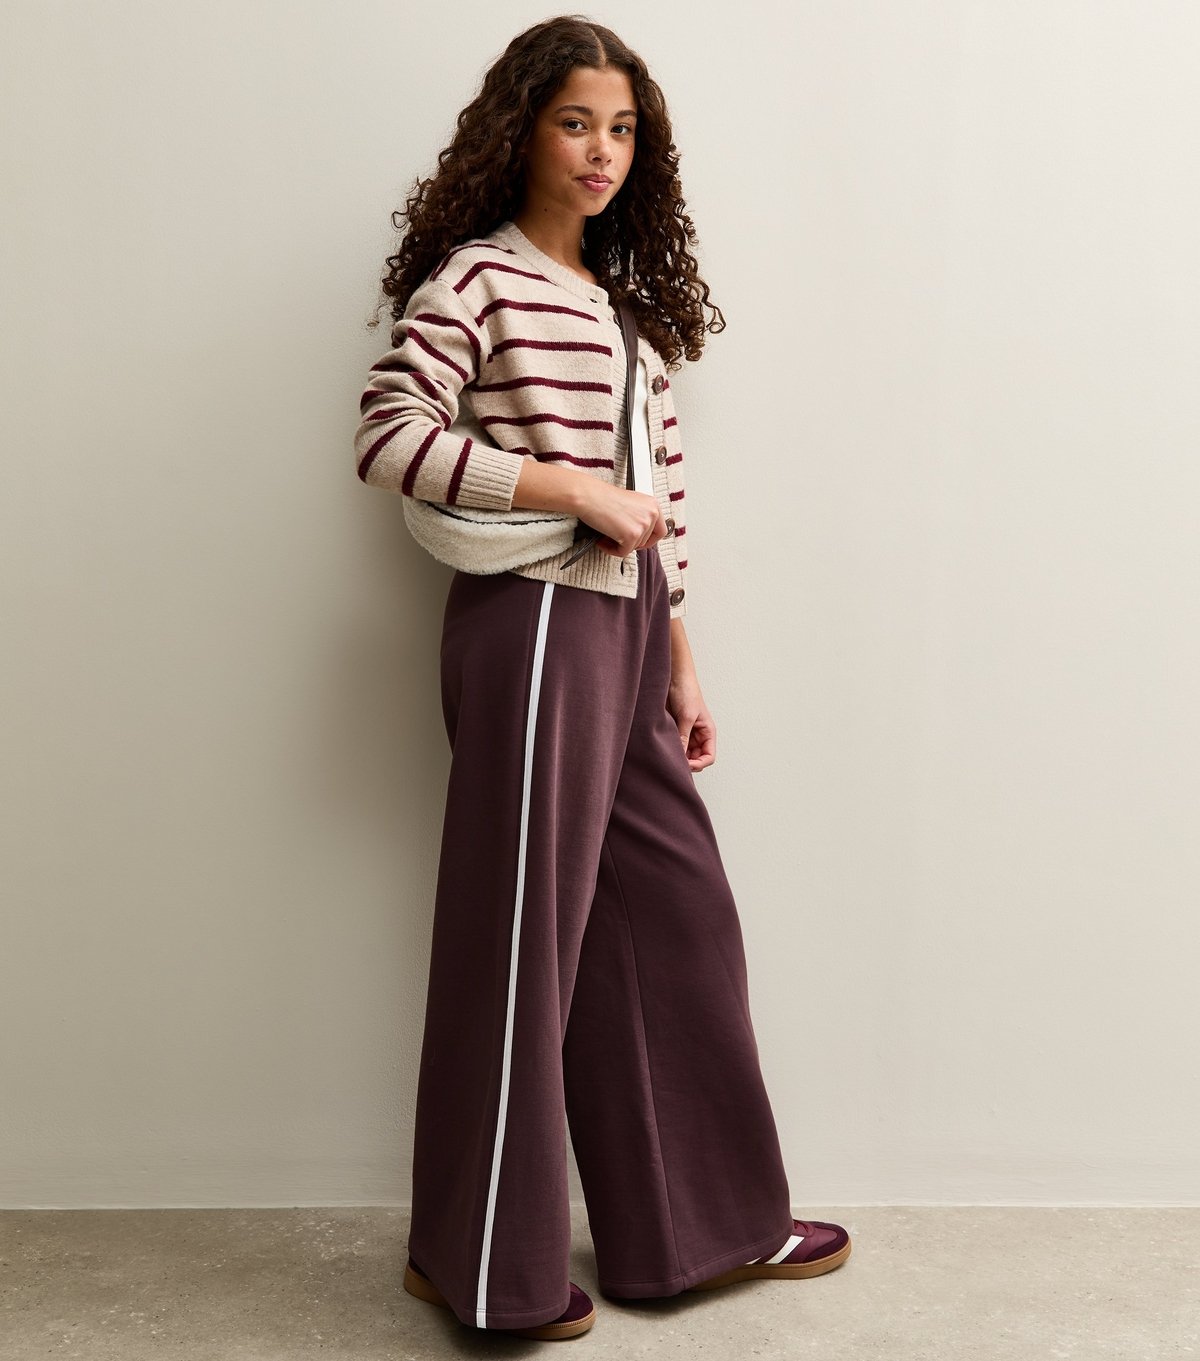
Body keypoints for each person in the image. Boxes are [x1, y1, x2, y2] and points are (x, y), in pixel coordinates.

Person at [354, 14, 851, 1343]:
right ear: (521, 130)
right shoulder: (480, 280)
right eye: (576, 121)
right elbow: (391, 435)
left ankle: (694, 1230)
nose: (601, 150)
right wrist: (569, 488)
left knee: (675, 915)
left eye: (622, 129)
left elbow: (663, 507)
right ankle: (478, 1266)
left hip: (624, 631)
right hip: (529, 621)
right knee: (522, 936)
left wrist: (680, 662)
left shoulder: (624, 311)